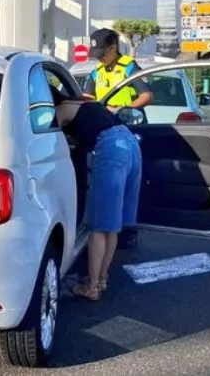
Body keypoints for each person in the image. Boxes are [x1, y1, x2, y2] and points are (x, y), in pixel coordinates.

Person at [52, 92, 141, 301]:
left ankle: (92, 287)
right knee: (111, 224)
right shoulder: (85, 101)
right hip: (130, 144)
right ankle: (101, 279)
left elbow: (51, 139)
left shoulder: (60, 110)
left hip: (111, 148)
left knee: (99, 225)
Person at [79, 28, 152, 250]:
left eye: (102, 53)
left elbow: (146, 95)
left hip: (129, 128)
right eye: (96, 54)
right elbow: (87, 98)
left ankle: (128, 229)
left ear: (113, 48)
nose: (99, 58)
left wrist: (122, 108)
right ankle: (104, 227)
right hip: (104, 132)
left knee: (128, 183)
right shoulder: (96, 72)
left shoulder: (129, 67)